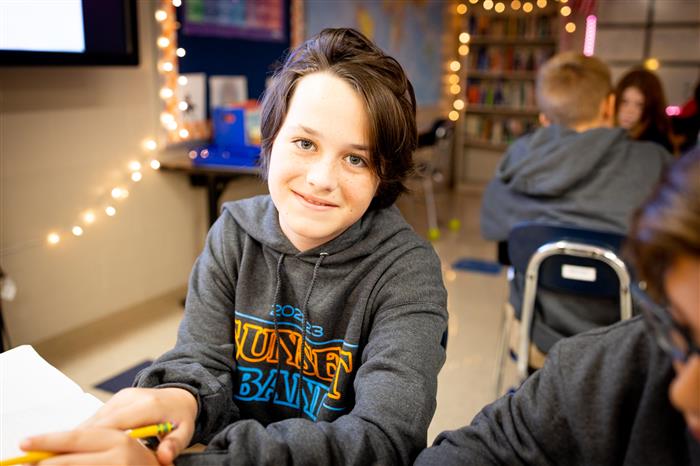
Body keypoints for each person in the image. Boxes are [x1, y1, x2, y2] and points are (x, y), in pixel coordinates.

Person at [21, 28, 448, 465]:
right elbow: (201, 358)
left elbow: (385, 439)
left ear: (383, 175)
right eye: (304, 143)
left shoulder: (407, 272)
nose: (322, 178)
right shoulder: (234, 232)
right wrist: (182, 397)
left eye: (355, 158)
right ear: (271, 138)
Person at [418, 148, 700, 465]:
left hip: (538, 330)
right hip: (608, 319)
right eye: (679, 326)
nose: (683, 393)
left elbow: (494, 228)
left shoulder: (525, 159)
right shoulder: (652, 161)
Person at [480, 52, 671, 356]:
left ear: (545, 114)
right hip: (625, 341)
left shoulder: (518, 159)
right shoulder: (655, 162)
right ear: (609, 104)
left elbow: (501, 245)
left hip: (539, 333)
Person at [615, 67, 676, 153]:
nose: (629, 111)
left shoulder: (657, 147)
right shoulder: (608, 137)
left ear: (651, 108)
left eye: (639, 105)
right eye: (624, 102)